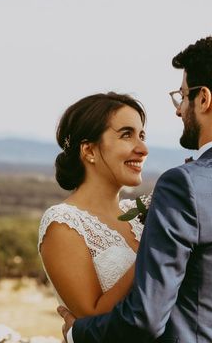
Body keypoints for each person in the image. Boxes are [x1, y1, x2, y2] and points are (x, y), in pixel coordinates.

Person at [59, 31, 212, 342]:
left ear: (204, 99)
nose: (178, 109)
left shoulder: (183, 184)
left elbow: (146, 318)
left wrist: (78, 332)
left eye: (183, 96)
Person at [38, 92, 149, 318]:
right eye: (126, 135)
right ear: (88, 150)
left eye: (142, 135)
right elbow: (92, 320)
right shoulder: (63, 223)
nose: (143, 149)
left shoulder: (141, 213)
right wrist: (155, 248)